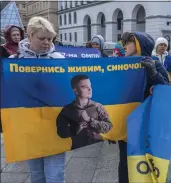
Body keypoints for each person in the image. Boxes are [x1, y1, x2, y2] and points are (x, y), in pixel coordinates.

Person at [9, 16, 65, 183]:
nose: (46, 42)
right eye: (42, 38)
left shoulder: (60, 60)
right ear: (30, 35)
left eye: (49, 38)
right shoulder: (14, 62)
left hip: (54, 126)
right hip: (29, 127)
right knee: (37, 176)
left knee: (56, 176)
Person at [119, 32, 169, 183]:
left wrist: (153, 73)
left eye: (128, 42)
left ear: (139, 45)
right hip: (126, 122)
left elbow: (166, 89)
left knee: (144, 160)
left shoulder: (154, 62)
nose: (124, 46)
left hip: (146, 122)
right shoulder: (121, 64)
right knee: (124, 162)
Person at [56, 74, 112, 150]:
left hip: (99, 149)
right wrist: (76, 129)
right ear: (76, 91)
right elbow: (61, 132)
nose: (89, 89)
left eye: (90, 86)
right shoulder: (68, 109)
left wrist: (90, 120)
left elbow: (108, 126)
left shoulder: (98, 106)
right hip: (78, 150)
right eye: (84, 87)